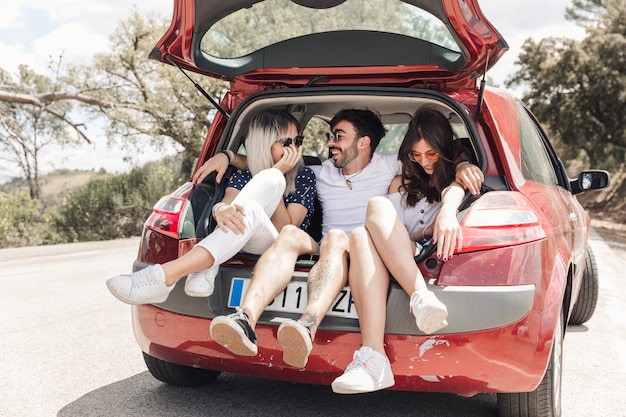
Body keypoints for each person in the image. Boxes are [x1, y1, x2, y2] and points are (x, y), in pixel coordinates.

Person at [206, 108, 484, 369]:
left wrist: (462, 167)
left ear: (363, 143)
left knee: (339, 237)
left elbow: (438, 158)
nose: (331, 143)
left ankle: (307, 324)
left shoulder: (390, 166)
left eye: (338, 136)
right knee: (291, 233)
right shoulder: (320, 172)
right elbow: (266, 166)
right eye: (331, 136)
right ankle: (245, 318)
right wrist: (229, 157)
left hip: (366, 250)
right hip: (325, 247)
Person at [105, 109, 316, 305]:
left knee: (270, 181)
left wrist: (276, 174)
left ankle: (170, 274)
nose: (296, 148)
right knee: (250, 209)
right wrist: (220, 209)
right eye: (288, 142)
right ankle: (205, 263)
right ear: (266, 142)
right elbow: (228, 204)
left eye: (299, 140)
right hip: (244, 237)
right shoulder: (244, 175)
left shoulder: (304, 175)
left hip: (281, 244)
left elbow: (288, 230)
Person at [331, 108, 466, 394]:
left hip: (424, 257)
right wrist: (426, 231)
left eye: (431, 154)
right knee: (366, 223)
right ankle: (381, 347)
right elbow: (392, 230)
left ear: (443, 148)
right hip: (400, 249)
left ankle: (376, 352)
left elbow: (456, 186)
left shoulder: (456, 179)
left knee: (364, 227)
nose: (424, 162)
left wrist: (447, 212)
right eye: (416, 155)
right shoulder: (401, 181)